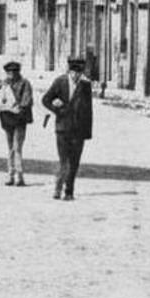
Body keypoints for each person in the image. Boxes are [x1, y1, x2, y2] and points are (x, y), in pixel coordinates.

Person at [41, 55, 94, 200]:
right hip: (62, 128)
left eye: (79, 73)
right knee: (64, 160)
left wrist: (88, 132)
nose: (77, 76)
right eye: (74, 72)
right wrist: (56, 108)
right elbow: (45, 99)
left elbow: (88, 110)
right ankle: (58, 188)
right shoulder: (60, 82)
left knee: (75, 161)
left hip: (79, 129)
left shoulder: (85, 86)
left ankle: (69, 191)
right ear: (69, 71)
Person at [0, 61, 34, 186]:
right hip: (7, 119)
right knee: (10, 148)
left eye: (12, 72)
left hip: (19, 119)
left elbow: (27, 101)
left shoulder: (25, 83)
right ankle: (10, 175)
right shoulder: (5, 84)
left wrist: (18, 107)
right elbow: (1, 98)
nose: (10, 75)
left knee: (17, 148)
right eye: (8, 73)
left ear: (17, 72)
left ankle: (19, 176)